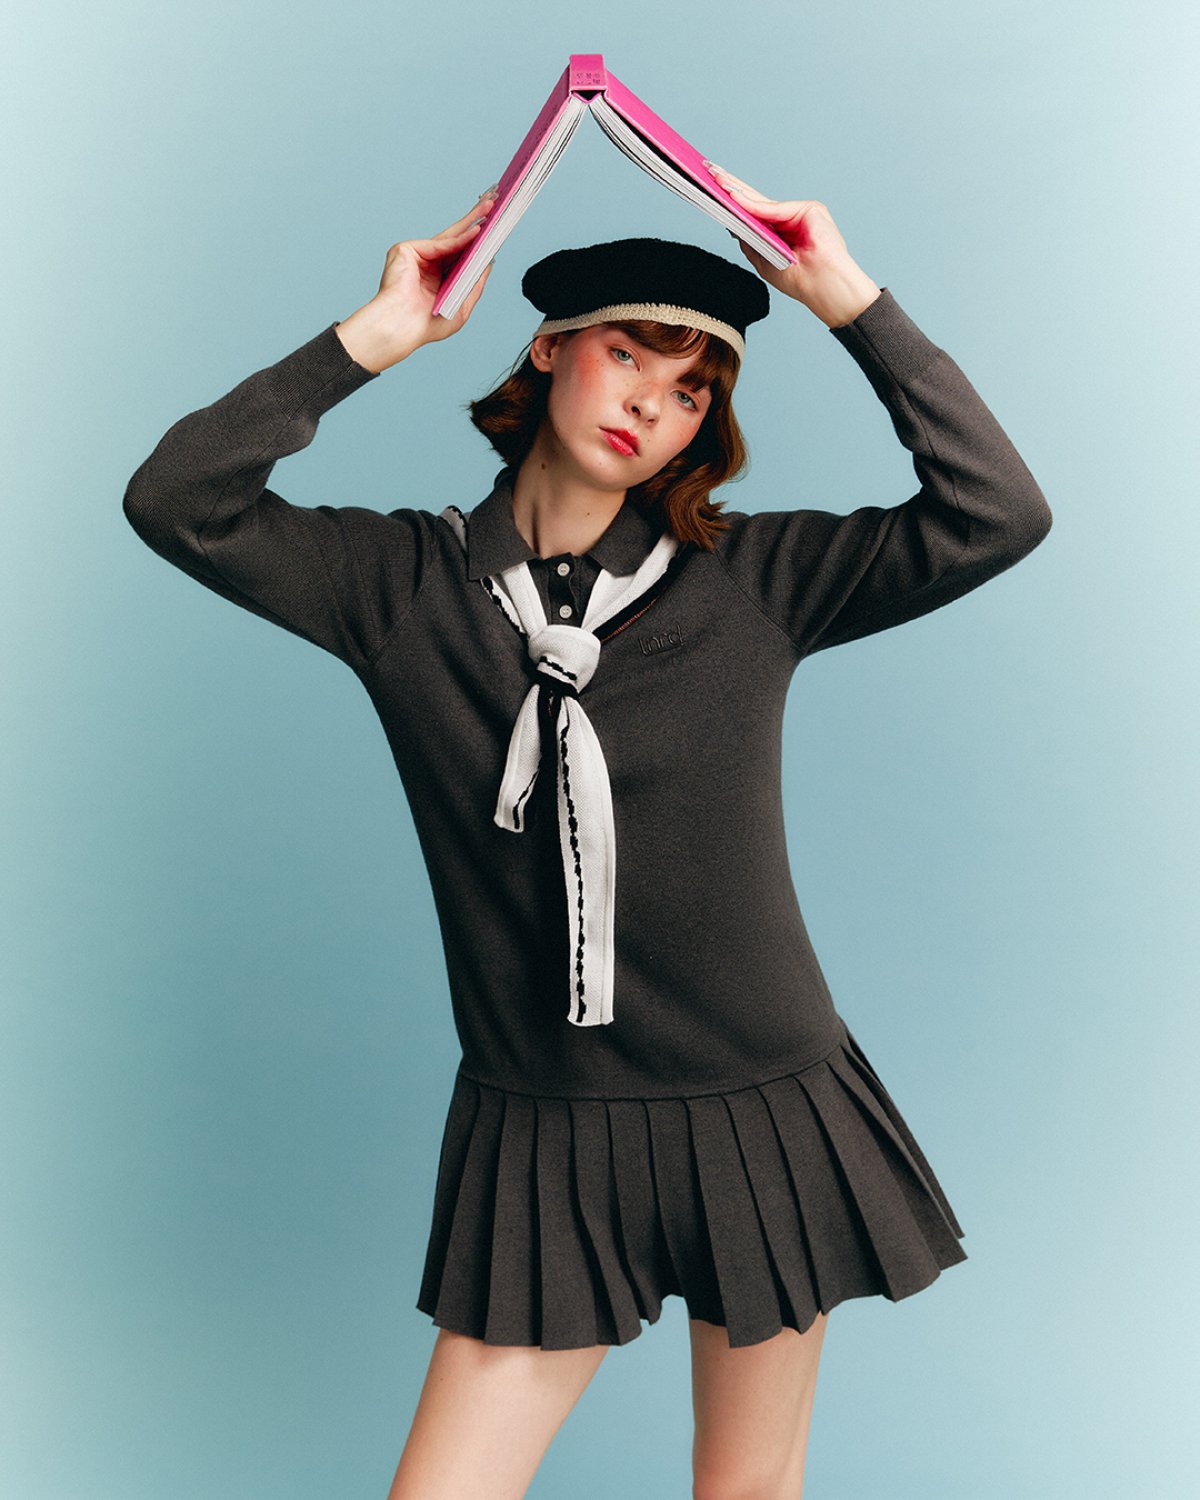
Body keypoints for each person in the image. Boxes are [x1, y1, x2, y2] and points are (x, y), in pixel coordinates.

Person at [122, 165, 1053, 1500]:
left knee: (748, 1489)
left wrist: (849, 301)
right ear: (550, 350)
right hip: (546, 1121)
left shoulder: (755, 582)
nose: (652, 406)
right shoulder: (400, 588)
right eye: (629, 356)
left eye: (691, 392)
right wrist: (376, 336)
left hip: (764, 1104)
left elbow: (997, 512)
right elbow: (178, 500)